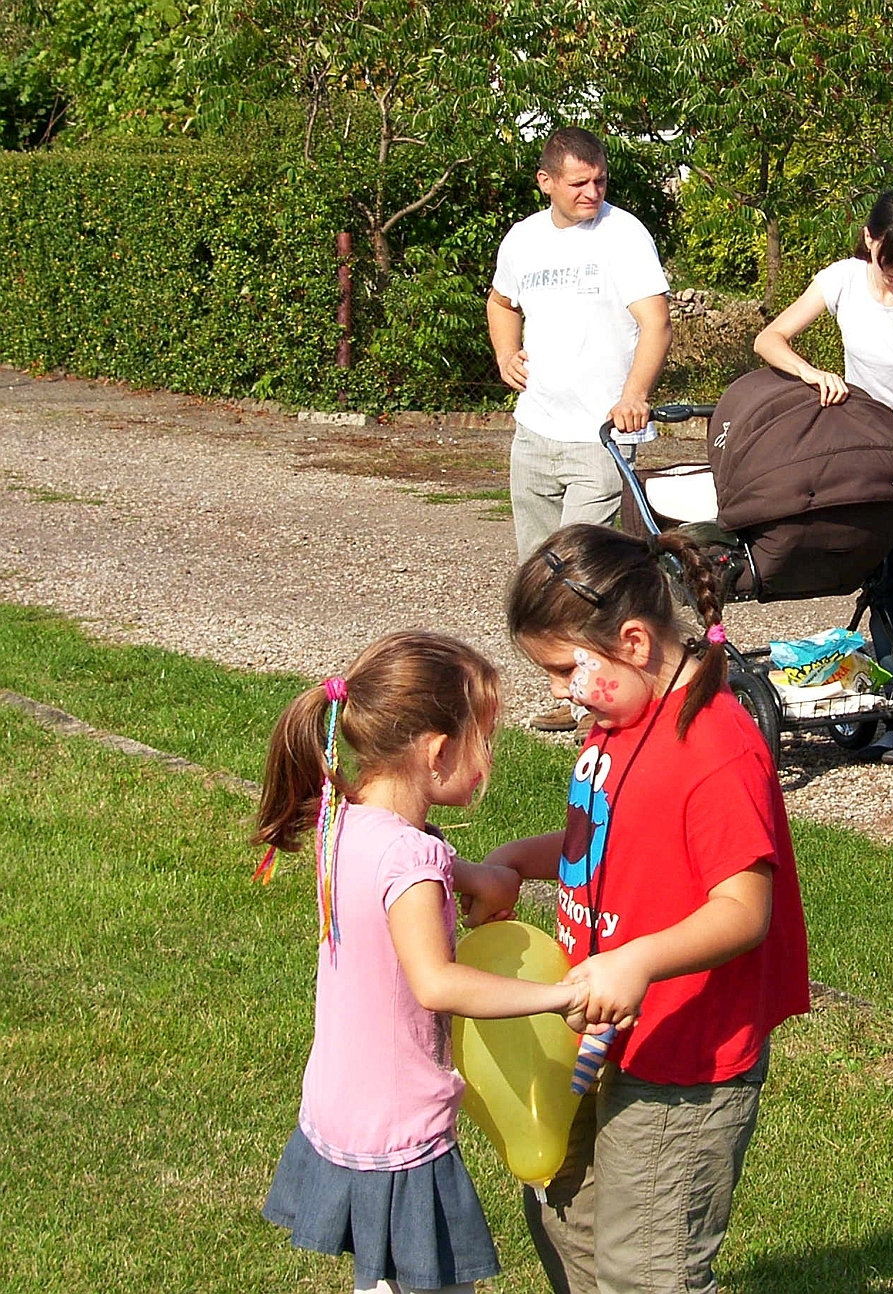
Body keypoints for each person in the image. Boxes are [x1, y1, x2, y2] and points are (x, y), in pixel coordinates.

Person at [484, 523, 810, 1294]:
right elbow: (607, 838)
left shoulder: (714, 747)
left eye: (563, 669)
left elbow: (743, 908)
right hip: (598, 1032)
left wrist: (636, 961)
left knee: (648, 1271)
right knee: (565, 1219)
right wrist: (513, 863)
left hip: (681, 1056)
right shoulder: (619, 722)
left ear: (633, 642)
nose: (558, 692)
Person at [254, 632, 585, 1294]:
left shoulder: (344, 822)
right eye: (483, 740)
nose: (489, 761)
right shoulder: (413, 861)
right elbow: (436, 983)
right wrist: (561, 997)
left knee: (382, 1277)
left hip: (342, 1105)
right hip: (400, 1124)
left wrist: (477, 877)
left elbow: (413, 864)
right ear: (437, 753)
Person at [754, 191, 893, 761]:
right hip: (866, 447)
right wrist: (811, 373)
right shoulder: (843, 280)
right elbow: (769, 338)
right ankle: (892, 707)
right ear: (869, 240)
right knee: (879, 582)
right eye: (889, 259)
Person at [490, 127, 672, 734]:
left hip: (601, 438)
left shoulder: (625, 235)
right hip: (536, 430)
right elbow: (501, 303)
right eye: (579, 183)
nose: (592, 192)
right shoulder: (523, 240)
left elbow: (656, 323)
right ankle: (568, 690)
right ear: (546, 182)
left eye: (600, 181)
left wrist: (634, 396)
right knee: (539, 573)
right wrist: (505, 353)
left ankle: (599, 696)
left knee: (583, 575)